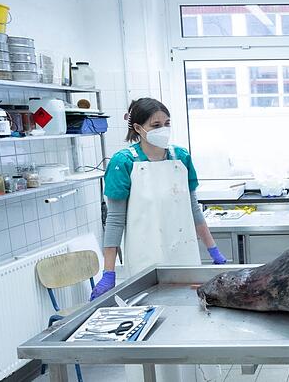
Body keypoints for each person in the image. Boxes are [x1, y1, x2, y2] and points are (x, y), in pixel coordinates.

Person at [91, 98, 225, 381]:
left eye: (166, 124)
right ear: (138, 127)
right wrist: (108, 272)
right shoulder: (123, 162)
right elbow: (115, 221)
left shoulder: (181, 157)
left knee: (190, 326)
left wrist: (213, 251)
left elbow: (193, 209)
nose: (163, 130)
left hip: (184, 256)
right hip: (145, 260)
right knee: (151, 332)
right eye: (156, 125)